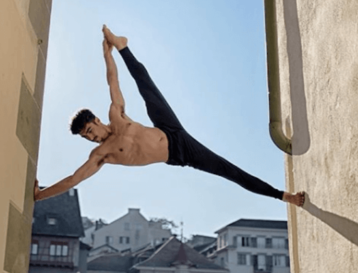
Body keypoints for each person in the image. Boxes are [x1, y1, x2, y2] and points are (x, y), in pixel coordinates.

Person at [34, 25, 305, 207]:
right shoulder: (101, 155)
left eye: (90, 131)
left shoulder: (116, 115)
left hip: (168, 127)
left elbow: (112, 79)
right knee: (228, 171)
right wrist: (39, 195)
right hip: (180, 153)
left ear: (96, 121)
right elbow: (73, 179)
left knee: (146, 85)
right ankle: (285, 197)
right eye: (86, 138)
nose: (91, 138)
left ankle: (123, 45)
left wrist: (108, 52)